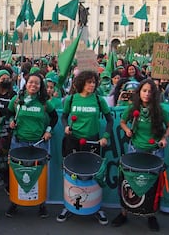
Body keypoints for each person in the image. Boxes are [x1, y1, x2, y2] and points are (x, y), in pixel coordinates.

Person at [112, 78, 169, 231]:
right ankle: (124, 213)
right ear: (139, 93)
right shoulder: (133, 108)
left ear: (154, 94)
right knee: (129, 182)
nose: (146, 94)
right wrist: (126, 129)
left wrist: (164, 138)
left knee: (152, 185)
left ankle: (151, 215)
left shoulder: (161, 111)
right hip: (135, 150)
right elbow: (123, 122)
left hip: (155, 151)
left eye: (150, 91)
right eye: (144, 91)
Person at [57, 70, 114, 225]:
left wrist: (105, 137)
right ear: (81, 83)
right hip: (73, 141)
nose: (92, 85)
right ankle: (68, 206)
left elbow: (110, 120)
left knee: (93, 175)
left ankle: (94, 207)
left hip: (93, 142)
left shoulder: (98, 99)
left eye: (94, 82)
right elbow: (63, 117)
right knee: (71, 174)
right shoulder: (71, 99)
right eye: (89, 82)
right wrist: (66, 127)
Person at [5, 72, 58, 218]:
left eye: (37, 83)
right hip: (19, 141)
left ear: (40, 86)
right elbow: (8, 112)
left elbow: (54, 117)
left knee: (39, 173)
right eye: (30, 82)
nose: (33, 85)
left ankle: (41, 204)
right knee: (17, 172)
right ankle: (14, 203)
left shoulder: (44, 102)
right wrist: (11, 121)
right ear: (25, 84)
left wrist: (48, 131)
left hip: (39, 144)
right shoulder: (17, 100)